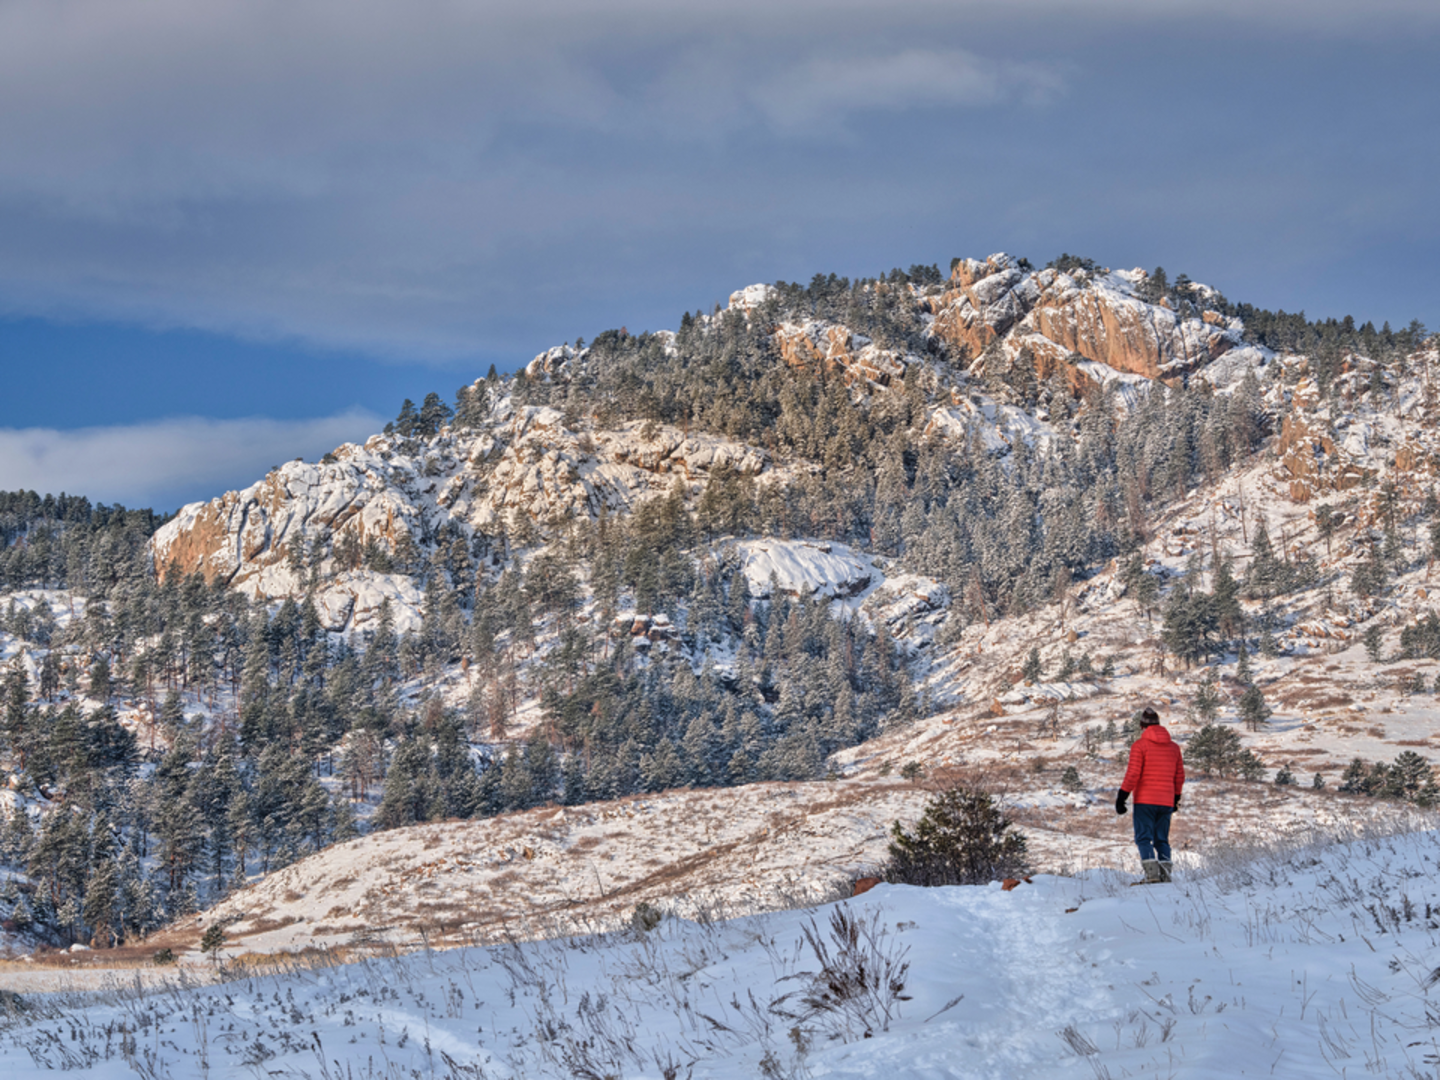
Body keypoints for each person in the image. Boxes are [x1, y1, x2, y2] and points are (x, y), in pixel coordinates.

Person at [1114, 706, 1185, 883]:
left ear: (1141, 726)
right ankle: (1165, 876)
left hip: (1145, 801)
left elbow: (1133, 774)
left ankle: (1152, 876)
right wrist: (1175, 798)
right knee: (1162, 839)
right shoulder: (1174, 748)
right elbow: (1179, 776)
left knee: (1144, 838)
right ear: (1159, 724)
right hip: (1166, 801)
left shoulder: (1140, 746)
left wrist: (1122, 797)